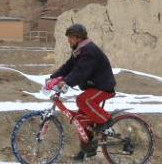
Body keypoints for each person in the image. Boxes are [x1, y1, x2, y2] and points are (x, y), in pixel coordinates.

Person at [45, 23, 116, 161]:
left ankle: (106, 120)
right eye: (69, 37)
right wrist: (53, 78)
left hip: (103, 87)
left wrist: (65, 82)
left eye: (71, 37)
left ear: (79, 38)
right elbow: (68, 67)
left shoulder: (89, 51)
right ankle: (85, 151)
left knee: (82, 100)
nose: (68, 40)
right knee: (81, 120)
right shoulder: (79, 50)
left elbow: (80, 72)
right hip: (93, 87)